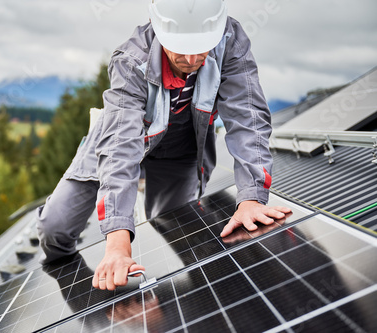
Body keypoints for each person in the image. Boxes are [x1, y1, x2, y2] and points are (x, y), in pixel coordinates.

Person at [36, 0, 291, 291]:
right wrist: (118, 244)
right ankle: (75, 289)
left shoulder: (230, 40)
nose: (193, 58)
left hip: (180, 148)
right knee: (54, 228)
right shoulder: (132, 59)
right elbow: (120, 146)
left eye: (201, 46)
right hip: (119, 138)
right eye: (181, 48)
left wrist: (251, 198)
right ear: (158, 28)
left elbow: (248, 117)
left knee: (177, 222)